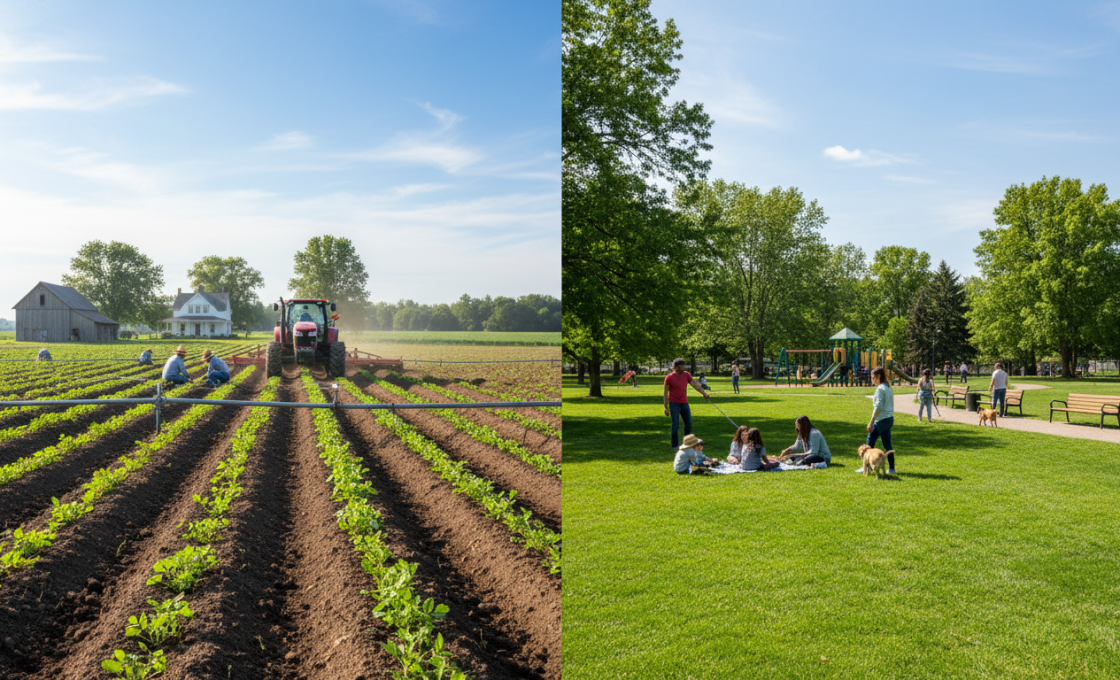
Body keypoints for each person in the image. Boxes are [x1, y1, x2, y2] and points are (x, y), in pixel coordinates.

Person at [663, 358, 710, 450]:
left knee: (689, 423)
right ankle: (675, 446)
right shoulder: (669, 378)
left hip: (684, 403)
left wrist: (704, 393)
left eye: (683, 366)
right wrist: (666, 407)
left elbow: (695, 385)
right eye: (681, 367)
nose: (683, 368)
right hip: (674, 404)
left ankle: (687, 443)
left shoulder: (686, 375)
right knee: (675, 425)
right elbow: (665, 393)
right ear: (675, 367)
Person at [859, 367, 896, 474]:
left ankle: (866, 467)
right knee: (887, 444)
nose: (872, 379)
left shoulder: (880, 388)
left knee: (869, 445)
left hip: (881, 420)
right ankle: (892, 469)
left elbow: (878, 407)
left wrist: (871, 422)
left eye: (873, 377)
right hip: (889, 419)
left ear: (878, 376)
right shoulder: (888, 387)